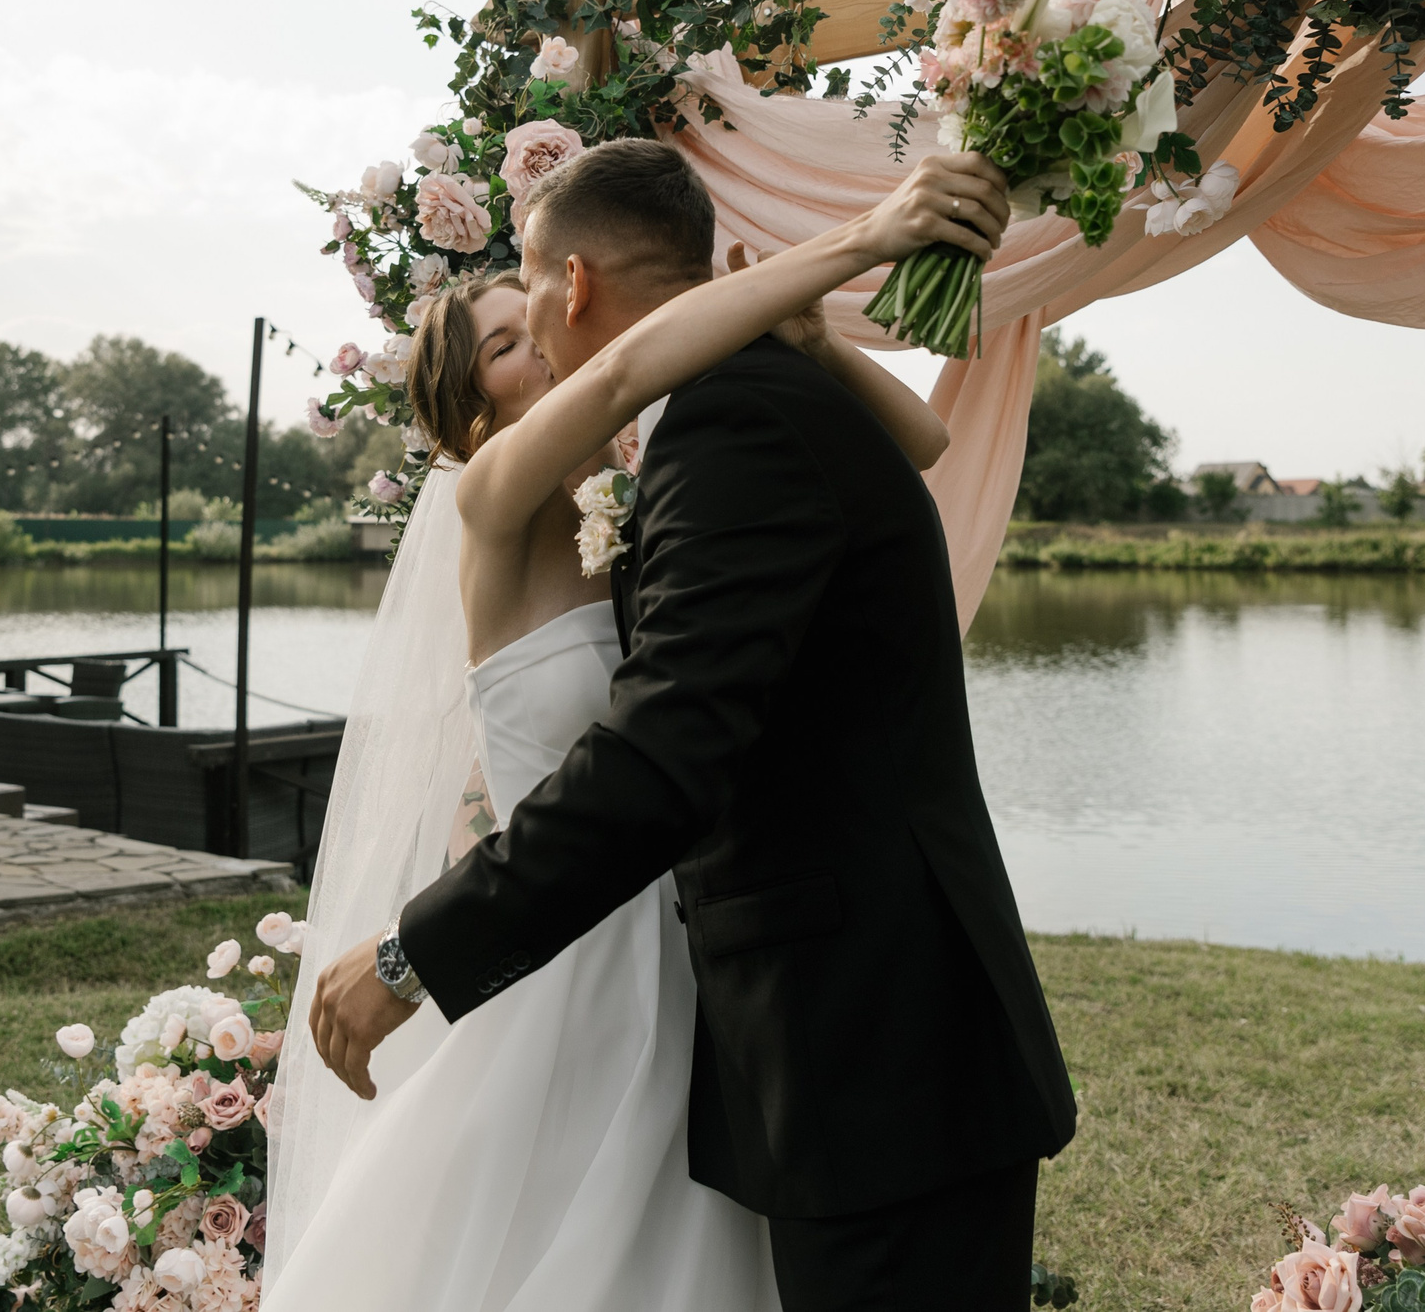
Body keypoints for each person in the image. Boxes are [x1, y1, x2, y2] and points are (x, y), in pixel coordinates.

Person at [270, 139, 1030, 1311]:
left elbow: (912, 450)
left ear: (572, 285)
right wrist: (858, 241)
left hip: (741, 993)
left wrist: (815, 322)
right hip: (597, 961)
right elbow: (628, 369)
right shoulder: (501, 494)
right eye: (499, 343)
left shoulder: (681, 466)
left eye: (527, 301)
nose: (534, 340)